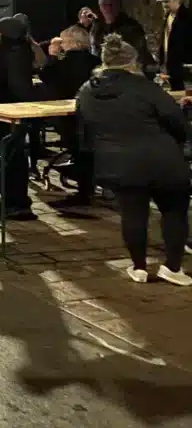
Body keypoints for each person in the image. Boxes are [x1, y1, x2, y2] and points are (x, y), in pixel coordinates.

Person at [77, 35, 191, 285]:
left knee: (133, 214)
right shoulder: (146, 87)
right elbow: (176, 122)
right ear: (133, 62)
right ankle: (173, 268)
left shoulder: (86, 91)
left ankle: (139, 267)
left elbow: (84, 127)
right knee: (174, 211)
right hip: (163, 160)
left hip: (118, 163)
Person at [40, 25, 100, 208]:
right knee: (90, 151)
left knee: (77, 150)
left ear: (72, 42)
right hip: (93, 112)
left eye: (63, 41)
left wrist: (51, 55)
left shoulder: (63, 63)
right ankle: (89, 188)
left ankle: (83, 193)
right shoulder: (96, 61)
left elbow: (46, 76)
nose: (61, 45)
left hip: (68, 114)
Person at [0, 16, 36, 221]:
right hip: (8, 114)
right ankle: (12, 199)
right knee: (12, 157)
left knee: (11, 157)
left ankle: (14, 202)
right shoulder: (15, 52)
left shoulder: (11, 55)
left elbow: (13, 86)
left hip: (9, 114)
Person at [92, 0, 153, 69]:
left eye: (111, 4)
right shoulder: (97, 27)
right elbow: (95, 49)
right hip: (104, 71)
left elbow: (141, 53)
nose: (108, 8)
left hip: (127, 69)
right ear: (100, 6)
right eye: (104, 5)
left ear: (118, 5)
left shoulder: (131, 26)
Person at [158, 0, 192, 90]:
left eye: (167, 1)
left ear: (177, 1)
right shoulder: (168, 17)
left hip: (184, 67)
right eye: (163, 2)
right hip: (170, 66)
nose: (164, 4)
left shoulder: (187, 17)